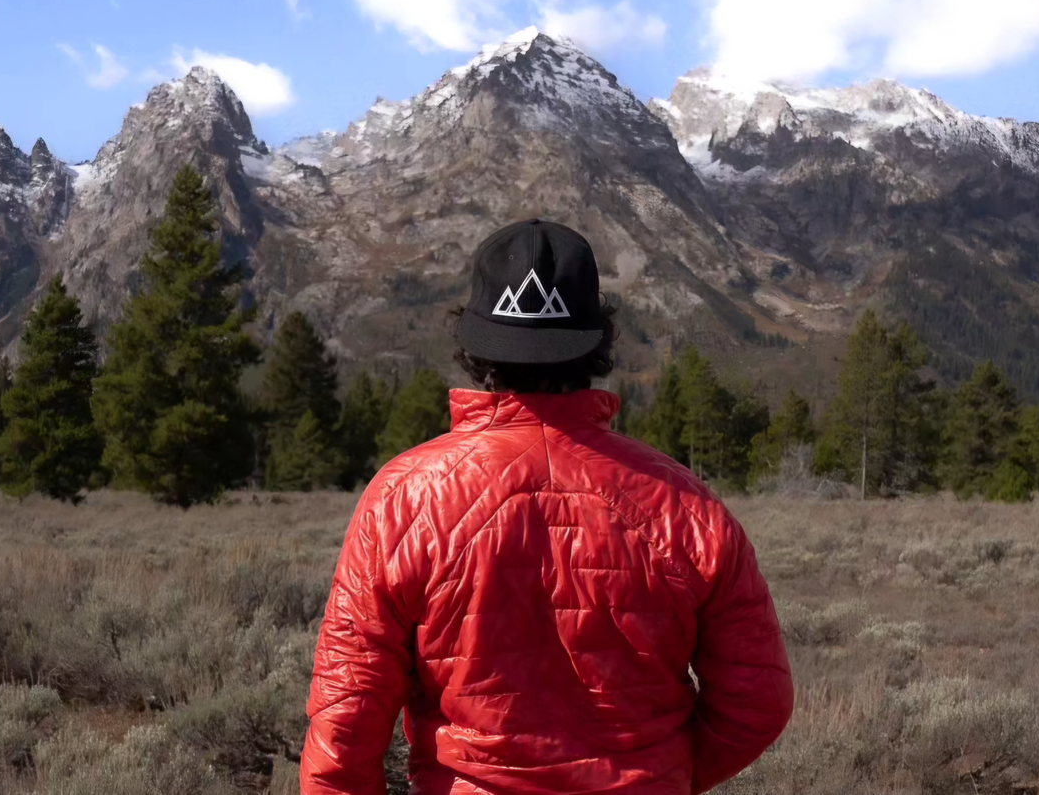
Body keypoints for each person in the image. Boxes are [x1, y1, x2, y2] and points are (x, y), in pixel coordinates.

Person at [301, 219, 794, 794]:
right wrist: (664, 776)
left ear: (477, 347)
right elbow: (759, 701)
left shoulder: (404, 497)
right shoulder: (684, 504)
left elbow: (344, 721)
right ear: (596, 343)